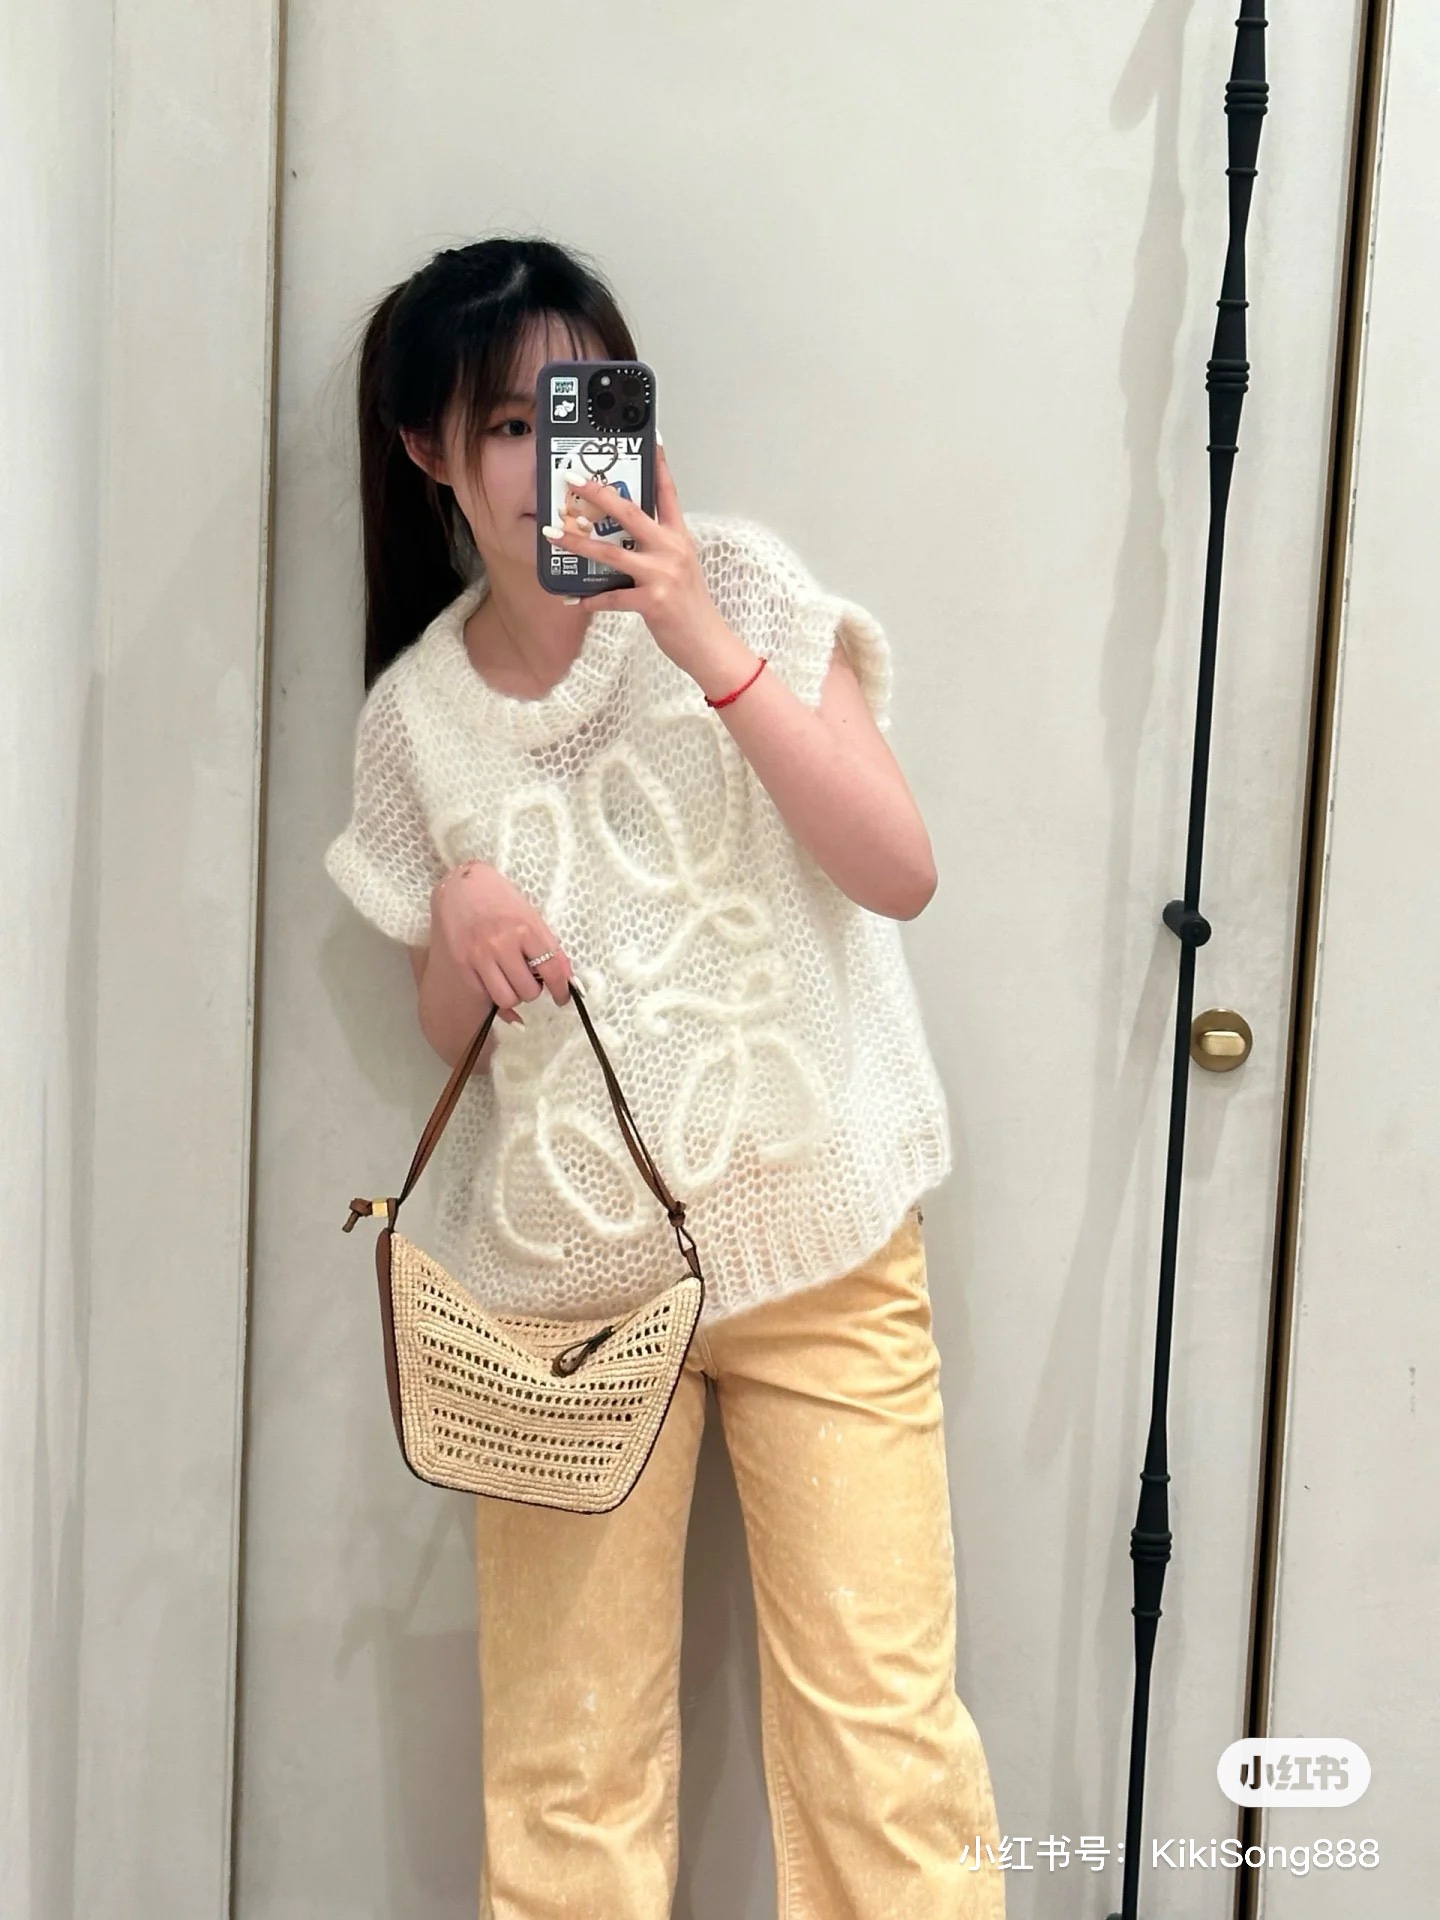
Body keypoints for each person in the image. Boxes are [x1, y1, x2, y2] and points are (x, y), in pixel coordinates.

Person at [325, 234, 1005, 1920]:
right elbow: (457, 1041)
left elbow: (900, 869)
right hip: (563, 1297)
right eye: (505, 423)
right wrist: (456, 917)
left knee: (886, 1756)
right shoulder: (413, 722)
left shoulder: (742, 588)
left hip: (822, 1248)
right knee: (569, 1779)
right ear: (426, 451)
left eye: (581, 406)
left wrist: (706, 639)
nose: (548, 454)